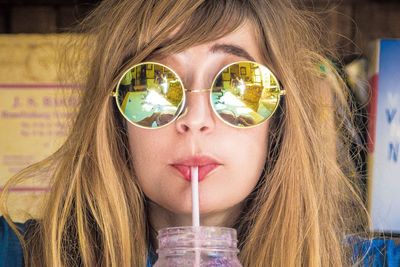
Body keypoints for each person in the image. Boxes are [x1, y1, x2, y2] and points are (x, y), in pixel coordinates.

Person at [0, 0, 370, 266]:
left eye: (238, 84)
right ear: (115, 117)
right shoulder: (21, 254)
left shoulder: (363, 262)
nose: (195, 118)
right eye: (155, 85)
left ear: (279, 117)